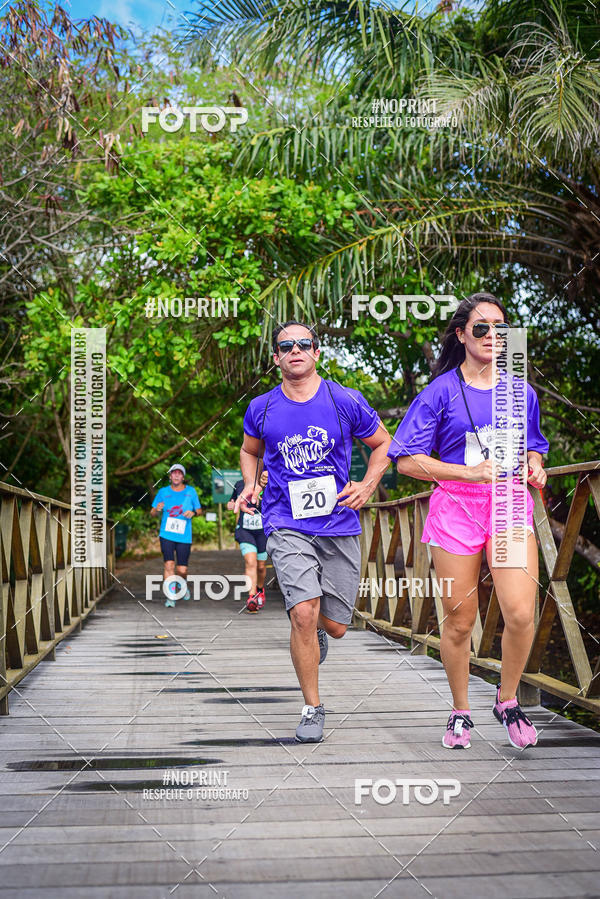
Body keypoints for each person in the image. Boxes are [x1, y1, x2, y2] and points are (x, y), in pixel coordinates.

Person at [387, 292, 548, 750]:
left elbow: (534, 444)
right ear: (461, 335)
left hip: (508, 506)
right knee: (459, 623)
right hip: (456, 509)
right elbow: (406, 461)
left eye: (500, 327)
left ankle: (508, 698)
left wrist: (534, 463)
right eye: (481, 328)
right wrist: (467, 472)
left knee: (520, 612)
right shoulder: (439, 391)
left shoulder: (522, 391)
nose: (493, 335)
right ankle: (460, 711)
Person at [236, 321, 391, 742]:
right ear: (276, 358)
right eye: (286, 346)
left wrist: (367, 484)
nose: (295, 351)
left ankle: (320, 629)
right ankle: (312, 707)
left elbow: (384, 444)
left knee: (336, 625)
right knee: (302, 612)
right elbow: (250, 451)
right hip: (285, 521)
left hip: (338, 522)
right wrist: (251, 484)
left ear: (317, 352)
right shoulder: (262, 408)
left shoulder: (344, 400)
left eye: (304, 344)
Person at [151, 463, 203, 607]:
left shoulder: (191, 492)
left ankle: (182, 584)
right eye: (174, 473)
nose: (176, 475)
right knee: (169, 565)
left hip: (184, 535)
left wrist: (193, 513)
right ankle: (170, 596)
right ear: (170, 476)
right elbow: (152, 513)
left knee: (182, 569)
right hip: (166, 534)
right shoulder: (162, 492)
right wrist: (157, 509)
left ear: (183, 477)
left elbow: (199, 510)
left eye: (179, 473)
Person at [227, 474, 268, 613]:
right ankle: (252, 597)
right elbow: (231, 501)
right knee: (251, 562)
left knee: (261, 566)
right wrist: (231, 504)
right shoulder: (239, 484)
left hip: (262, 531)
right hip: (245, 530)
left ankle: (260, 589)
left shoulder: (268, 482)